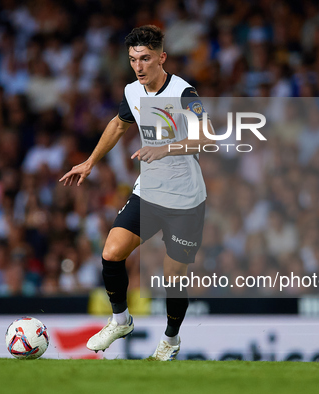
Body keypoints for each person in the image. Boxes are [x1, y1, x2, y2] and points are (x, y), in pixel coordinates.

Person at [59, 25, 213, 361]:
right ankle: (120, 320)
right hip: (150, 193)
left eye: (145, 59)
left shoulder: (185, 93)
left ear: (162, 58)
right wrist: (89, 162)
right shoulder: (133, 92)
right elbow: (118, 124)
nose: (138, 66)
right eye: (132, 60)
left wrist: (167, 148)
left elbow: (208, 138)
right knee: (112, 252)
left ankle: (170, 340)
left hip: (186, 200)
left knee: (173, 278)